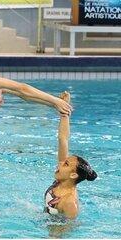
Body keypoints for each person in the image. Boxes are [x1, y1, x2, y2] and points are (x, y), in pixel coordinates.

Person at [44, 91, 97, 219]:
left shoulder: (69, 203)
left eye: (66, 164)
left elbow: (68, 229)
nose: (61, 162)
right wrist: (64, 113)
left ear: (73, 174)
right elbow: (63, 139)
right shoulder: (62, 179)